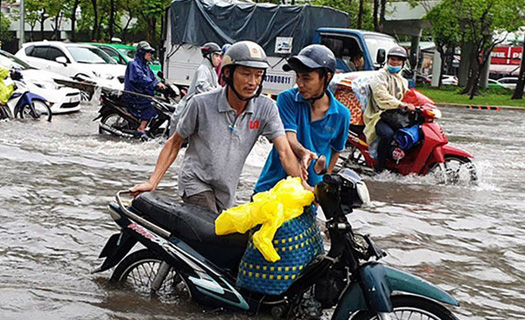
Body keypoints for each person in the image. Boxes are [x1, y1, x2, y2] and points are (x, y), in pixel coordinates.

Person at [131, 41, 304, 214]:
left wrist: (305, 188)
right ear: (228, 73)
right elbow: (174, 143)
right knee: (211, 231)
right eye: (246, 74)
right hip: (195, 182)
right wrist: (152, 182)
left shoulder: (266, 108)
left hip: (226, 191)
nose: (253, 82)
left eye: (258, 75)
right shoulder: (201, 103)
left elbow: (285, 152)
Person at [254, 44, 350, 193]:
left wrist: (323, 185)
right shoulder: (287, 99)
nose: (300, 84)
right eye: (298, 77)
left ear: (326, 77)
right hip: (271, 189)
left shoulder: (341, 115)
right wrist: (304, 152)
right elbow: (288, 138)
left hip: (307, 195)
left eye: (307, 78)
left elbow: (336, 151)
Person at [363, 46, 415, 173]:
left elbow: (408, 95)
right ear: (387, 60)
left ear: (403, 63)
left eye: (399, 60)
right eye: (392, 59)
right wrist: (401, 105)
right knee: (388, 135)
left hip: (394, 115)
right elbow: (381, 96)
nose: (395, 62)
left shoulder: (402, 80)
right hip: (378, 115)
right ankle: (380, 167)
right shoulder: (380, 76)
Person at [170, 42, 222, 134]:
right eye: (216, 55)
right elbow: (201, 87)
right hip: (190, 105)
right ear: (209, 56)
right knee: (178, 129)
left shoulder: (212, 71)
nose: (219, 59)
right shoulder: (203, 69)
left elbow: (216, 87)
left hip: (202, 105)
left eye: (220, 56)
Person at [123, 41, 165, 139]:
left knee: (159, 103)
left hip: (143, 94)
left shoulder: (146, 66)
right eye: (148, 52)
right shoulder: (133, 64)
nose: (150, 55)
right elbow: (140, 77)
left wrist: (161, 84)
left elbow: (153, 77)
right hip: (134, 95)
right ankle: (141, 128)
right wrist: (154, 84)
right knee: (152, 106)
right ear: (142, 52)